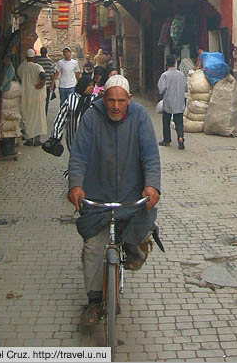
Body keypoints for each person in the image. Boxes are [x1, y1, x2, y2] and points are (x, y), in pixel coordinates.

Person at [67, 75, 161, 327]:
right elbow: (79, 156)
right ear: (103, 99)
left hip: (132, 196)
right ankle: (94, 301)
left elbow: (151, 155)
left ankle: (133, 247)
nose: (116, 106)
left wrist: (152, 185)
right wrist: (75, 185)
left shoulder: (140, 117)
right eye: (111, 101)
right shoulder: (91, 118)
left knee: (139, 230)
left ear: (129, 100)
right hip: (97, 196)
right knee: (93, 248)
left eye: (122, 101)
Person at [50, 75, 96, 152]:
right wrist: (55, 136)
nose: (92, 87)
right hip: (73, 137)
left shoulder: (95, 99)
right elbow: (61, 116)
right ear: (83, 85)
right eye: (89, 85)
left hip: (91, 139)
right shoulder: (72, 98)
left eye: (93, 85)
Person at [17, 48, 47, 146]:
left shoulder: (22, 67)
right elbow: (43, 76)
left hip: (26, 94)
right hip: (37, 94)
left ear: (26, 57)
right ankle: (37, 139)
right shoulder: (37, 67)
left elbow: (19, 77)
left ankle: (29, 139)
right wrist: (41, 84)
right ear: (34, 57)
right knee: (37, 116)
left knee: (27, 116)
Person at [158, 54, 188, 150]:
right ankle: (180, 138)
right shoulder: (181, 75)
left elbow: (161, 89)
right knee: (179, 122)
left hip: (168, 102)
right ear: (175, 62)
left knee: (166, 122)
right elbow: (186, 88)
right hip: (179, 102)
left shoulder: (165, 75)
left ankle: (167, 140)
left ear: (166, 63)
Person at [35, 46, 55, 114]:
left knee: (39, 102)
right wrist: (52, 85)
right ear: (46, 53)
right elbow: (52, 75)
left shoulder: (37, 62)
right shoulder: (50, 62)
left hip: (39, 85)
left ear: (40, 52)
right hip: (47, 85)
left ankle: (39, 114)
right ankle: (44, 114)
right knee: (46, 102)